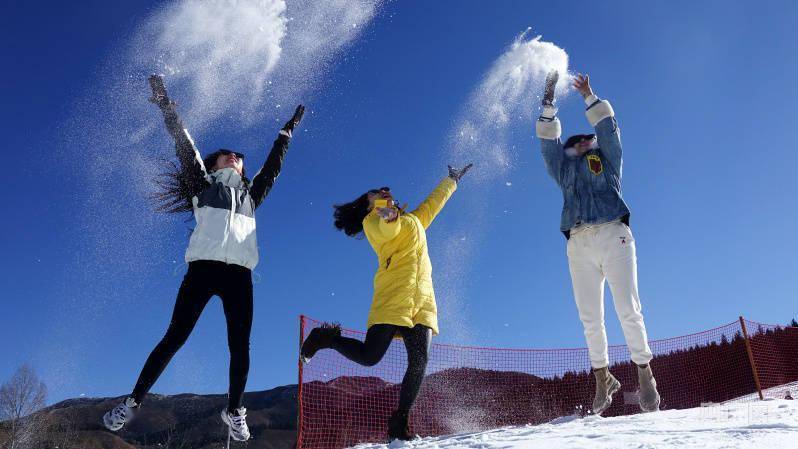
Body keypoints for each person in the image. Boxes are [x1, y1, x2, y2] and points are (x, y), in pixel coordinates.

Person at [102, 75, 305, 441]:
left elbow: (273, 166)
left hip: (239, 275)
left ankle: (235, 409)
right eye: (230, 154)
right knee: (175, 337)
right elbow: (183, 143)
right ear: (214, 165)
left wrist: (285, 134)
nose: (237, 157)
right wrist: (166, 107)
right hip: (202, 270)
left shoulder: (251, 196)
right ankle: (131, 404)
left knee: (240, 345)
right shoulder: (203, 186)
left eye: (241, 157)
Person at [299, 164, 472, 441]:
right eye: (375, 194)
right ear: (368, 205)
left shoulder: (412, 221)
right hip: (393, 295)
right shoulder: (372, 224)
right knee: (370, 357)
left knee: (420, 361)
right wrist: (385, 207)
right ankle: (326, 338)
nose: (382, 194)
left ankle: (400, 423)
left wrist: (450, 181)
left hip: (423, 300)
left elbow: (432, 205)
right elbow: (387, 229)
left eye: (383, 192)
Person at [535, 72, 660, 415]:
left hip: (613, 235)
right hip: (578, 243)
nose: (586, 142)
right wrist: (548, 103)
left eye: (589, 139)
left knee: (627, 309)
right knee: (590, 317)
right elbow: (548, 145)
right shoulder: (564, 171)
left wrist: (589, 96)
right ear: (571, 149)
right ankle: (603, 379)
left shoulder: (608, 162)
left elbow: (608, 129)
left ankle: (644, 374)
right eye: (578, 142)